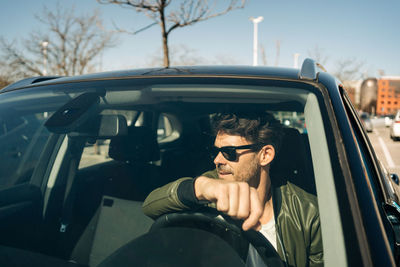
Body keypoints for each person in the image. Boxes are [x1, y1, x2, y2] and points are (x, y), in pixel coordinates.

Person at [142, 111, 323, 267]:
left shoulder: (309, 214)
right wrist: (200, 187)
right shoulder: (210, 186)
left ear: (265, 155)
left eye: (229, 152)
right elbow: (150, 206)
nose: (218, 160)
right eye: (216, 151)